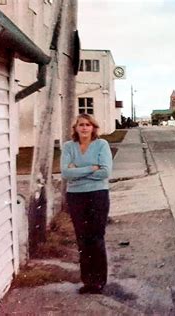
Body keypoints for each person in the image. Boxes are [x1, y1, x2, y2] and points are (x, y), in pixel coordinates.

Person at [61, 113, 113, 295]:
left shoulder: (101, 145)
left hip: (98, 195)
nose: (84, 128)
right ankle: (88, 281)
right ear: (75, 128)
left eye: (88, 125)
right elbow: (65, 173)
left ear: (93, 128)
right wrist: (91, 168)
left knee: (96, 237)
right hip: (76, 196)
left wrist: (78, 171)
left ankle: (99, 281)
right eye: (81, 125)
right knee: (82, 239)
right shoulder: (68, 147)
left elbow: (105, 172)